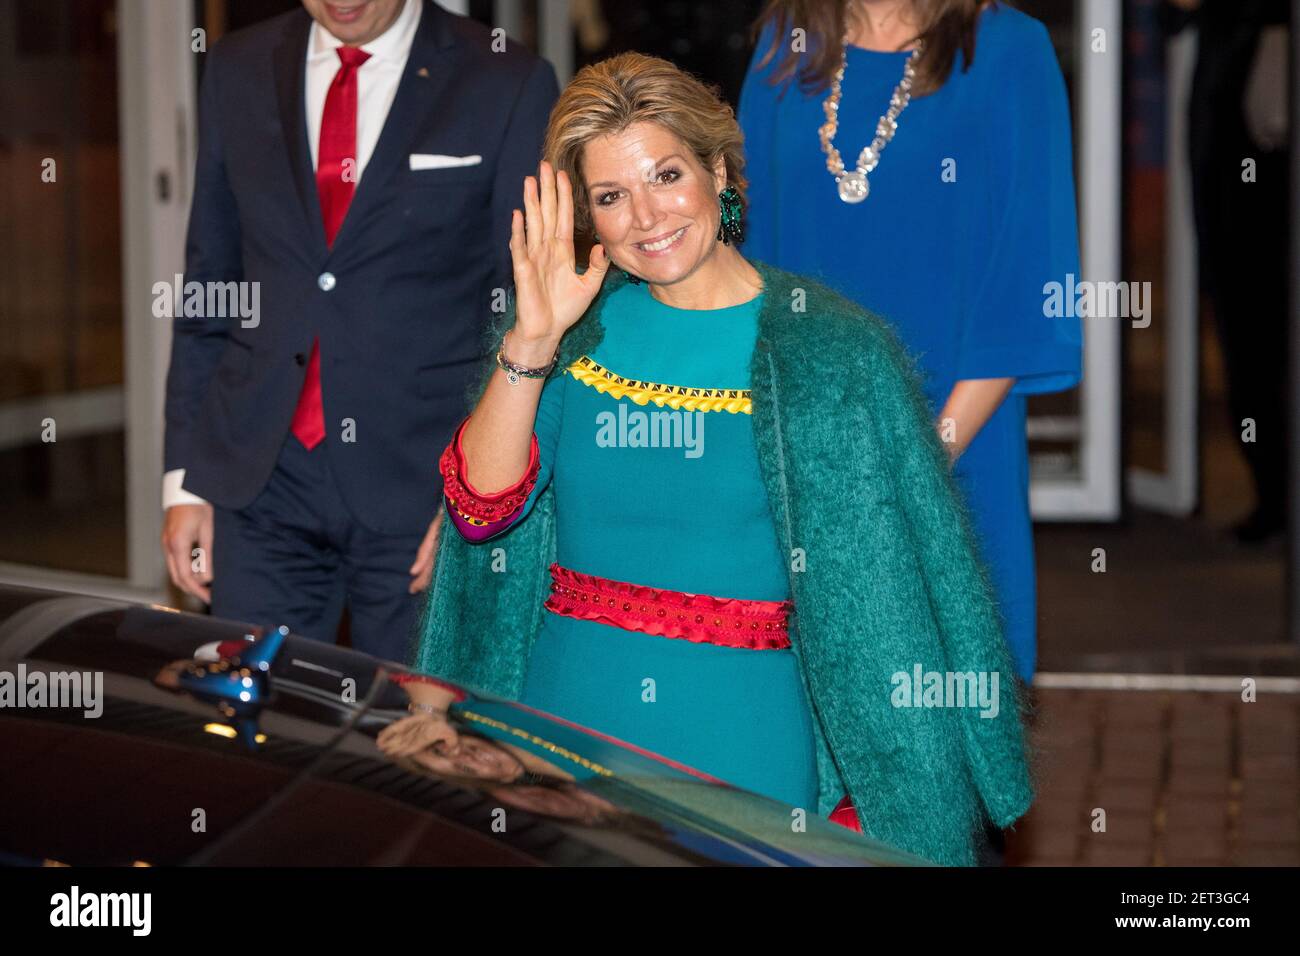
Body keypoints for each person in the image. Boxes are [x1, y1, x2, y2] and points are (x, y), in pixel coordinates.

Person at [413, 51, 1033, 866]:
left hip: (740, 741)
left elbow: (901, 596)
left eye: (666, 175)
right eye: (610, 197)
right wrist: (530, 340)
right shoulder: (569, 335)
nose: (646, 216)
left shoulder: (834, 353)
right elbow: (480, 508)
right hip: (557, 731)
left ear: (717, 168)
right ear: (588, 220)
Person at [160, 0, 558, 662]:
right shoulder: (237, 66)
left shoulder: (506, 79)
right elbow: (211, 275)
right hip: (259, 476)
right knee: (257, 728)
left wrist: (479, 493)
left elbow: (525, 308)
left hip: (425, 480)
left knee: (411, 743)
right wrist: (187, 481)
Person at [738, 0, 1084, 683]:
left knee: (945, 726)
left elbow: (1027, 277)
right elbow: (744, 243)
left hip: (953, 448)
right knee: (801, 709)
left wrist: (918, 461)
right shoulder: (787, 40)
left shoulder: (1009, 49)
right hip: (802, 445)